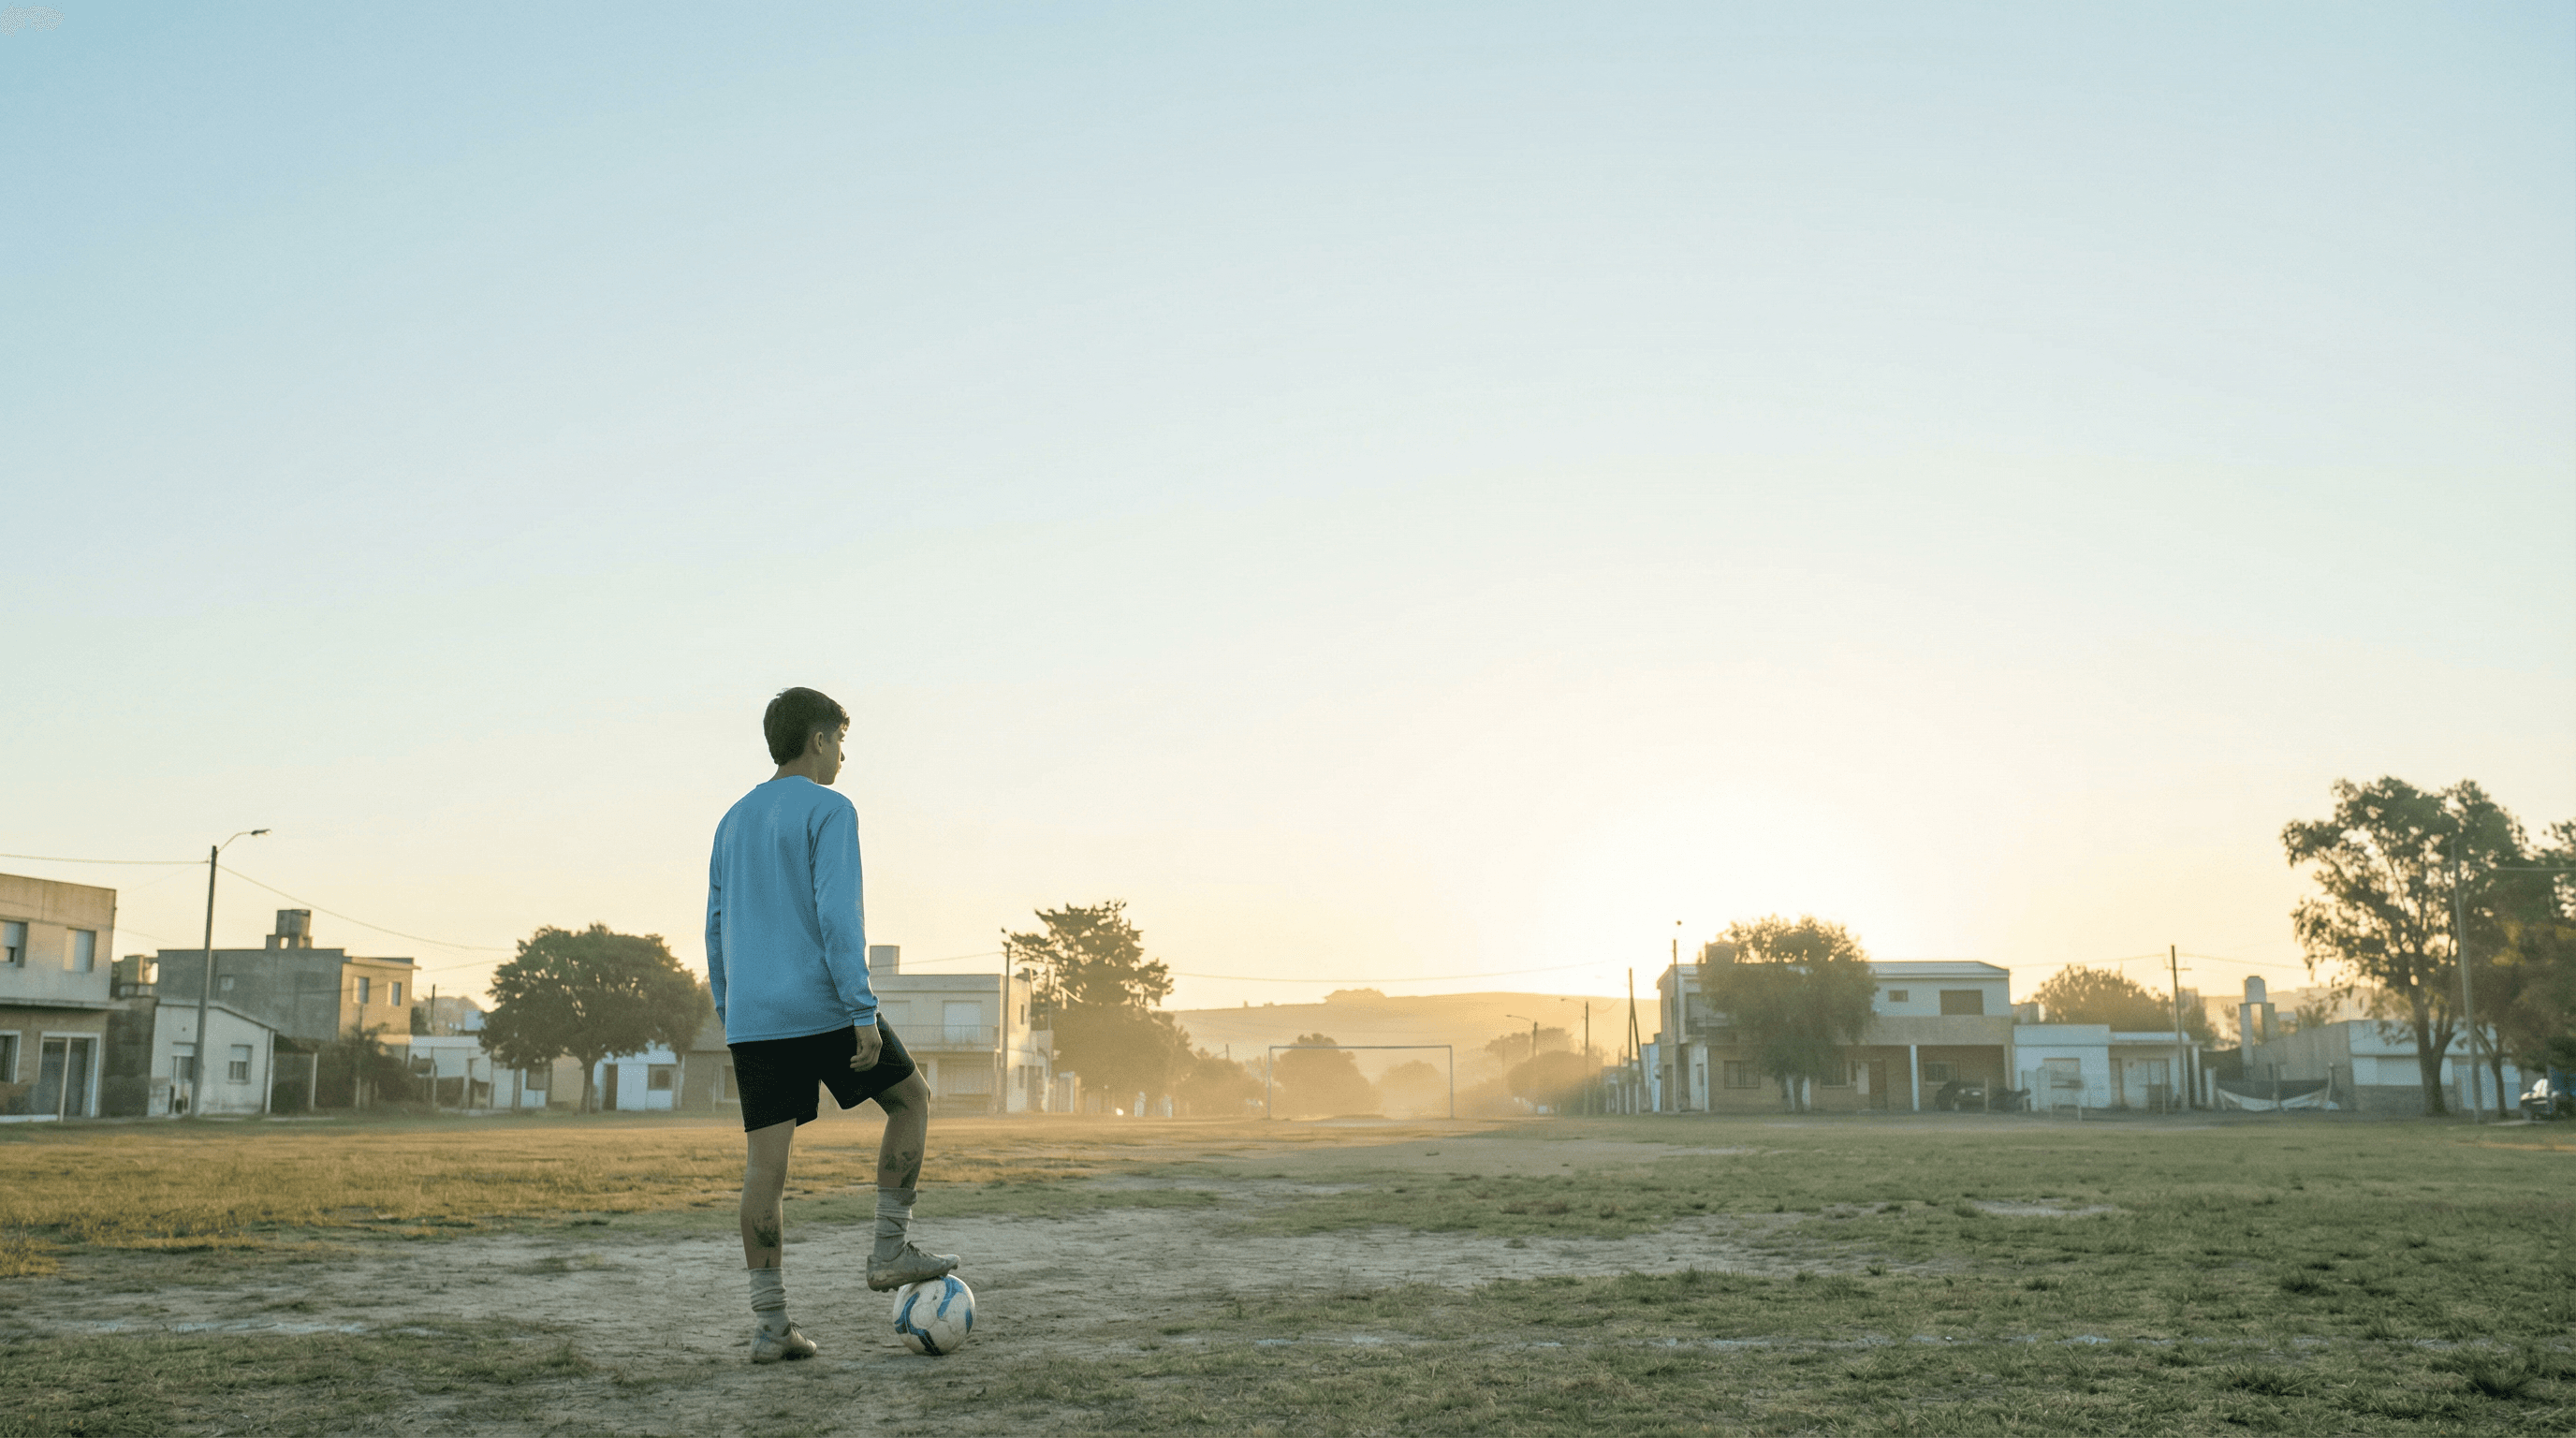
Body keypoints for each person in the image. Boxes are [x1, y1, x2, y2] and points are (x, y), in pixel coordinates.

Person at [707, 686, 959, 1364]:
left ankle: (770, 1326)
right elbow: (838, 914)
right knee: (911, 1101)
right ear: (819, 740)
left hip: (755, 1020)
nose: (844, 757)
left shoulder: (731, 821)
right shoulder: (831, 808)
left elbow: (715, 926)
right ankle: (888, 1250)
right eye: (841, 742)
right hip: (823, 1006)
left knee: (765, 1169)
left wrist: (734, 1011)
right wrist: (860, 1009)